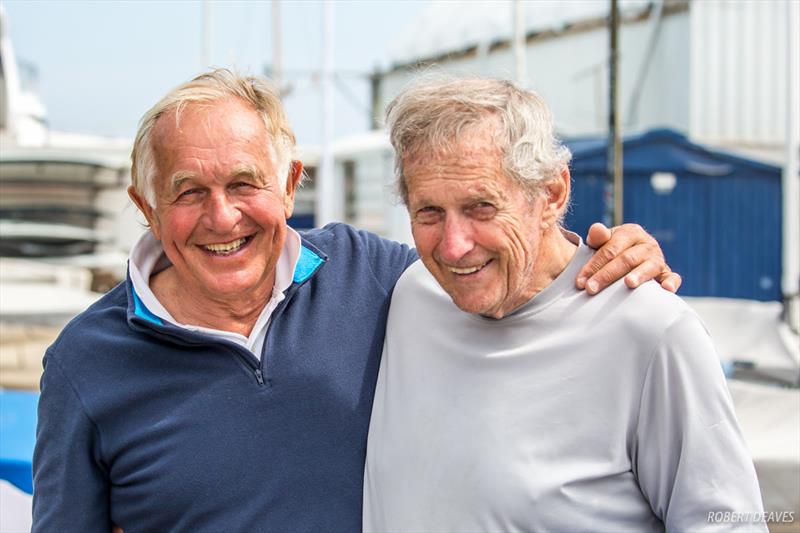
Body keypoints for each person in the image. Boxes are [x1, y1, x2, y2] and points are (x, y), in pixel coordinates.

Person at [33, 70, 678, 532]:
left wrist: (606, 257)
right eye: (187, 192)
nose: (221, 216)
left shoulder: (374, 277)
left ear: (289, 186)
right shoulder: (85, 362)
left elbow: (492, 265)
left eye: (243, 183)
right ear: (146, 208)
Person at [363, 78, 766, 532]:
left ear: (552, 194)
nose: (454, 247)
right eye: (429, 212)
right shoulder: (407, 292)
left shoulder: (651, 332)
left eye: (481, 207)